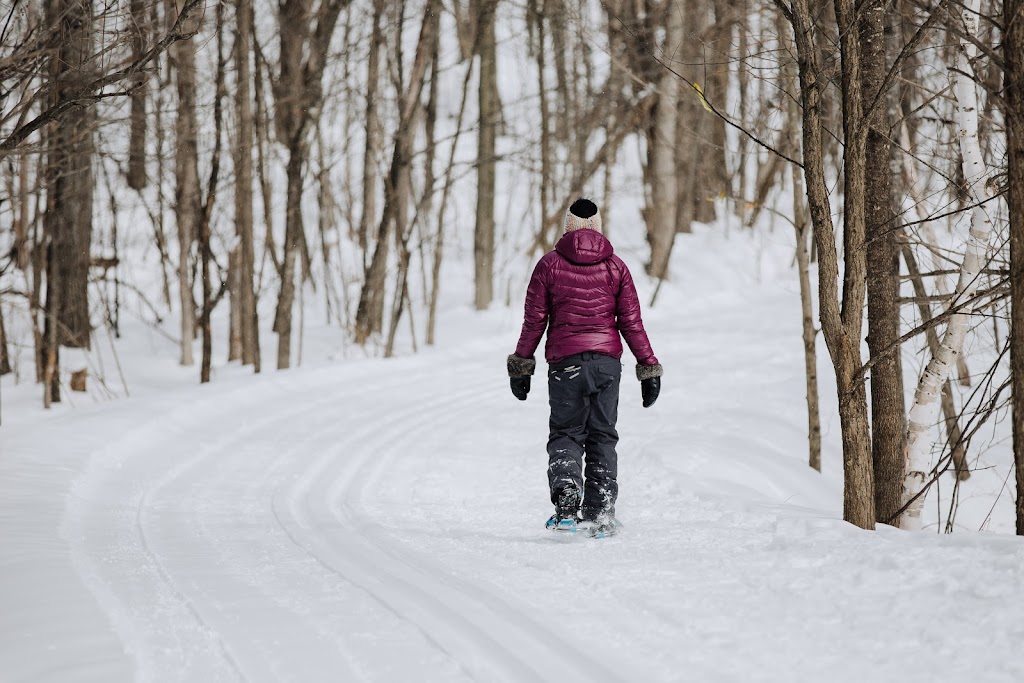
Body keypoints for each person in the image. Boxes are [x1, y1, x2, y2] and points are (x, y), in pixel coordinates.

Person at [506, 198, 662, 535]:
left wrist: (522, 365)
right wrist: (648, 366)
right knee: (603, 436)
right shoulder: (616, 267)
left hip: (566, 365)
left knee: (566, 432)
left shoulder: (549, 265)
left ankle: (566, 502)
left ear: (567, 226)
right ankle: (601, 511)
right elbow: (632, 322)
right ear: (598, 226)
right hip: (606, 364)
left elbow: (534, 321)